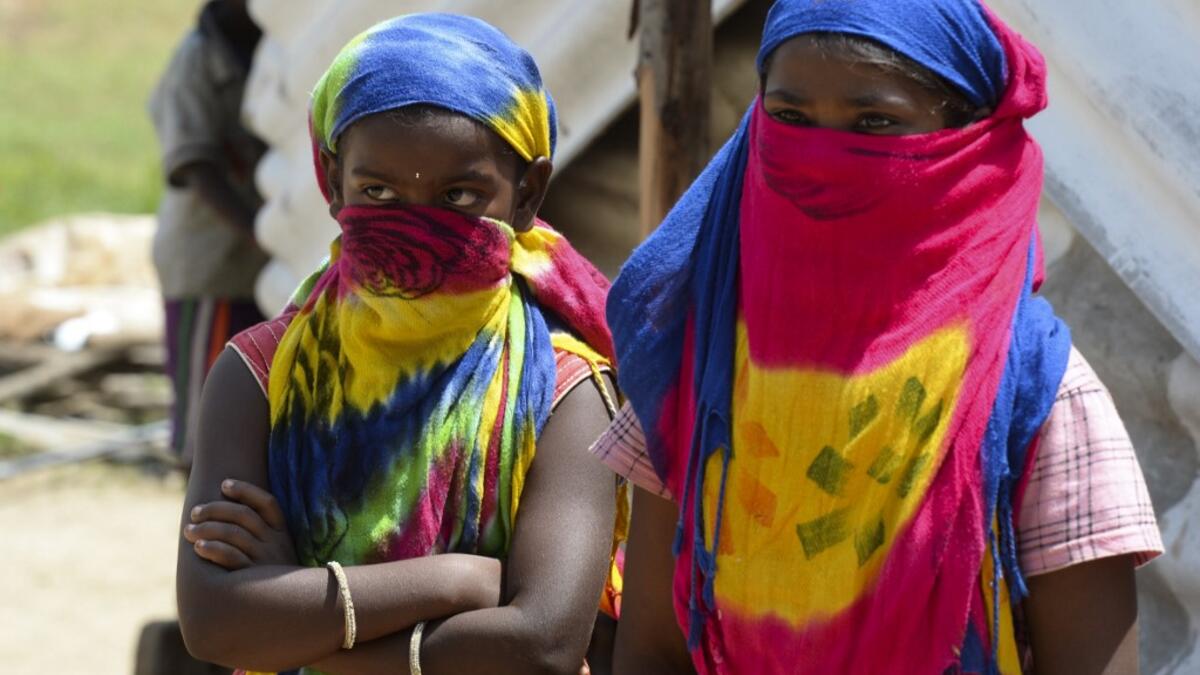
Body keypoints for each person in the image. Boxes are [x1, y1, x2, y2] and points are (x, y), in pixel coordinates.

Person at [596, 1, 1163, 673]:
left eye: (875, 123)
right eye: (792, 118)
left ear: (962, 142)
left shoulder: (1041, 393)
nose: (825, 156)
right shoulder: (702, 363)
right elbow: (653, 650)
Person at [175, 14, 623, 675]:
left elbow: (543, 642)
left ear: (527, 192)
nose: (414, 220)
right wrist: (459, 580)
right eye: (377, 191)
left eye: (458, 195)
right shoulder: (261, 373)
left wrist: (298, 602)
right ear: (332, 180)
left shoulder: (563, 390)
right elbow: (213, 622)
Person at [149, 0, 269, 465]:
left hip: (256, 264)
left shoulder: (264, 51)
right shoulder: (196, 61)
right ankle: (196, 520)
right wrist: (258, 230)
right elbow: (194, 166)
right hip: (211, 266)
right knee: (206, 411)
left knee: (247, 403)